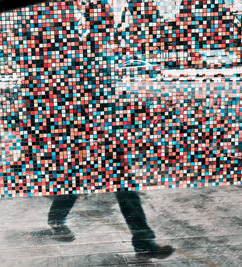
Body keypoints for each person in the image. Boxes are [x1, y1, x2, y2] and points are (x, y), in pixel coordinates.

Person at [46, 0, 174, 259]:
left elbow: (118, 88)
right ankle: (56, 219)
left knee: (124, 187)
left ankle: (143, 240)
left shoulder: (113, 51)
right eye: (103, 16)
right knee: (75, 180)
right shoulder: (77, 52)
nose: (108, 20)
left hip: (107, 130)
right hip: (83, 130)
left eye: (108, 16)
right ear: (91, 19)